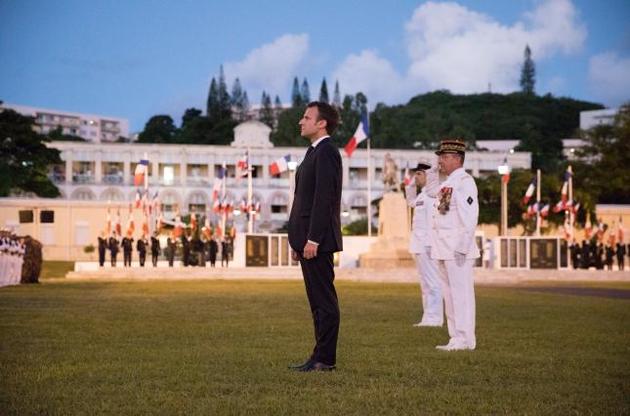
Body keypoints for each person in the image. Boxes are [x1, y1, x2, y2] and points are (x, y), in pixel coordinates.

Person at [288, 101, 343, 372]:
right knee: (316, 303)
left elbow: (324, 199)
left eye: (306, 117)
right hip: (307, 240)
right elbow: (304, 199)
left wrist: (314, 239)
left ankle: (325, 359)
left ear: (322, 123)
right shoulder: (313, 152)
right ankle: (318, 356)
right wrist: (298, 240)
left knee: (324, 301)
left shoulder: (327, 152)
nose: (301, 121)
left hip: (317, 242)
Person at [430, 139, 480, 351]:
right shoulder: (447, 183)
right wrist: (433, 173)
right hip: (443, 248)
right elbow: (440, 209)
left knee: (462, 296)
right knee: (449, 296)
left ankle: (466, 339)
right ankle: (455, 337)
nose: (440, 161)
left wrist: (462, 247)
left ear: (457, 159)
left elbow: (470, 217)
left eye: (444, 157)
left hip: (458, 249)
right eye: (440, 157)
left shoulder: (465, 182)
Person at [405, 161, 443, 327]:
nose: (416, 177)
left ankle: (435, 318)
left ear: (429, 176)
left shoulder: (434, 194)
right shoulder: (421, 196)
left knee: (433, 283)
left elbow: (436, 219)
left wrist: (432, 173)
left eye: (419, 174)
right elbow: (410, 201)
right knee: (425, 284)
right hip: (419, 245)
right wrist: (412, 183)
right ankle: (428, 317)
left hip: (429, 245)